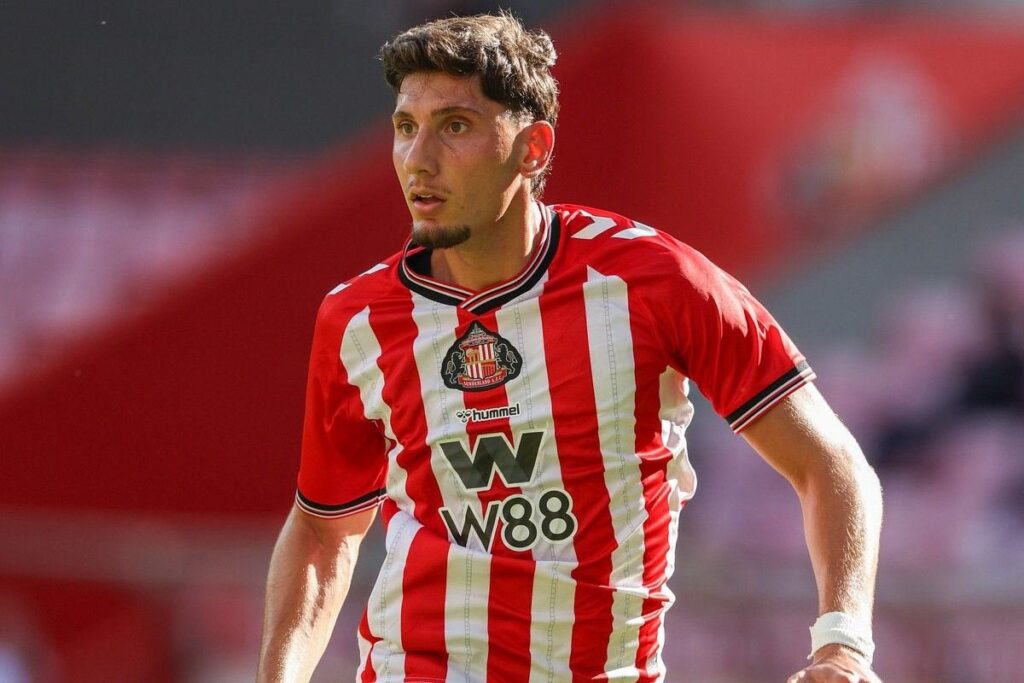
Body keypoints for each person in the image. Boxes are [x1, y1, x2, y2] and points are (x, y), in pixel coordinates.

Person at [257, 11, 883, 683]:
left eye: (455, 126)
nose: (419, 159)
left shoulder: (657, 282)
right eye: (406, 127)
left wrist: (842, 644)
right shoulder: (357, 319)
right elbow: (323, 530)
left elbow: (831, 465)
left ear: (532, 148)